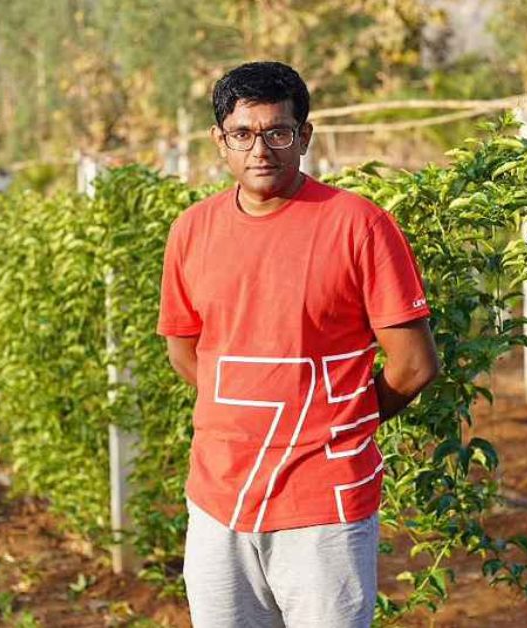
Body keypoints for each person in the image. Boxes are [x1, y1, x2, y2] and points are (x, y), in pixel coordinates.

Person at [157, 60, 440, 627]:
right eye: (242, 134)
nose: (260, 149)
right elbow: (187, 352)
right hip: (218, 501)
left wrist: (337, 419)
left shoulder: (359, 226)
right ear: (220, 141)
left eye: (278, 132)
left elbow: (413, 366)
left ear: (304, 136)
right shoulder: (192, 230)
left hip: (323, 504)